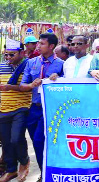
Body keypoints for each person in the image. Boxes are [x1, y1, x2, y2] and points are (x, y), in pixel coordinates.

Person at [19, 33, 64, 181]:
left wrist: (58, 79)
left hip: (50, 109)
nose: (38, 46)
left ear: (51, 46)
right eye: (38, 43)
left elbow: (67, 86)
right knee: (37, 142)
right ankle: (43, 171)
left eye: (42, 44)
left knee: (40, 140)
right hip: (34, 108)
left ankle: (47, 174)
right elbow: (22, 85)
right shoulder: (31, 63)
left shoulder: (61, 64)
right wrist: (32, 85)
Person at [0, 40, 31, 182]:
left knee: (16, 138)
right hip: (3, 108)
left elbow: (30, 87)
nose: (8, 58)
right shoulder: (1, 67)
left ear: (22, 53)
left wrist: (10, 88)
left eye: (12, 54)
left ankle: (24, 162)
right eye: (6, 55)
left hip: (22, 107)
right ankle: (11, 169)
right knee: (6, 142)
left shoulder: (28, 66)